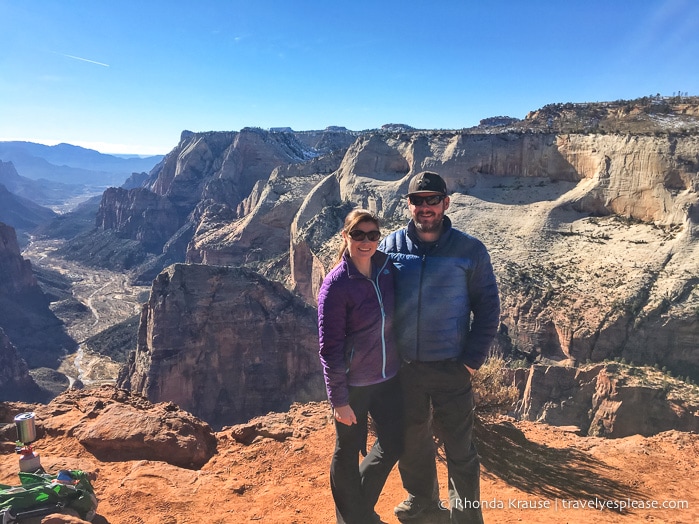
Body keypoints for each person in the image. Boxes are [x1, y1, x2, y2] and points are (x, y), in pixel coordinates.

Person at [379, 171, 500, 524]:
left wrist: (470, 364)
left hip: (452, 367)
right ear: (409, 205)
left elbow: (488, 308)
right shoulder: (390, 246)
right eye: (418, 200)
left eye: (433, 200)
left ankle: (464, 516)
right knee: (413, 442)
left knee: (460, 449)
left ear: (446, 203)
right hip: (407, 369)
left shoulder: (470, 250)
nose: (425, 207)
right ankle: (422, 502)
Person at [317, 208, 404, 524]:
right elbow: (329, 348)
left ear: (378, 238)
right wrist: (338, 400)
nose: (365, 241)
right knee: (347, 451)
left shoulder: (386, 269)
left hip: (388, 377)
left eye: (372, 235)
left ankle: (355, 513)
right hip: (353, 384)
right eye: (358, 234)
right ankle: (353, 517)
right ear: (346, 236)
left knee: (395, 440)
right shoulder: (336, 284)